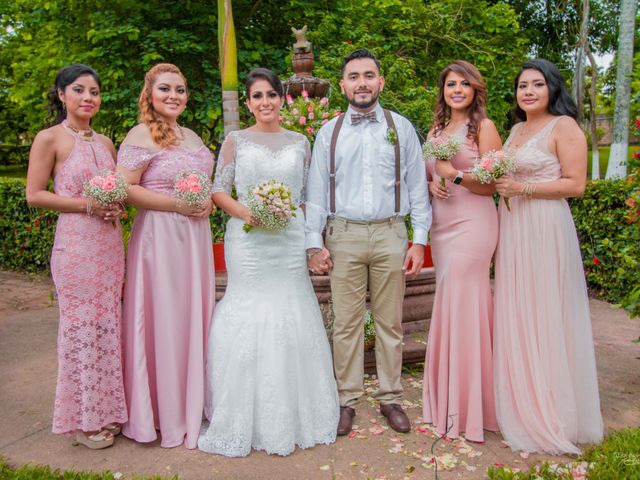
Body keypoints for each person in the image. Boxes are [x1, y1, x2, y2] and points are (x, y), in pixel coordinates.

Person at [197, 68, 339, 457]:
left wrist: (314, 243)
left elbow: (309, 197)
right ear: (248, 103)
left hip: (290, 238)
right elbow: (218, 191)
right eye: (257, 96)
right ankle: (241, 411)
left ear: (282, 99)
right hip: (249, 239)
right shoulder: (235, 140)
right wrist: (248, 214)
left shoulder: (301, 142)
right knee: (250, 308)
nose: (265, 103)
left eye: (271, 95)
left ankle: (297, 412)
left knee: (292, 308)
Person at [306, 49, 431, 435]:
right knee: (346, 323)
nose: (362, 82)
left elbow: (416, 186)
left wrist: (419, 239)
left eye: (369, 75)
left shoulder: (401, 127)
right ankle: (348, 400)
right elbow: (314, 192)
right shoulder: (330, 132)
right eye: (354, 76)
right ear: (343, 85)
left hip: (391, 232)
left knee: (390, 321)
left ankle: (391, 397)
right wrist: (314, 242)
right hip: (342, 234)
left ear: (381, 81)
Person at [493, 59, 603, 454]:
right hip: (514, 229)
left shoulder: (565, 127)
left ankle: (553, 410)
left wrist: (523, 190)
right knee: (519, 309)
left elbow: (576, 185)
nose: (528, 92)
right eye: (522, 85)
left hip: (544, 225)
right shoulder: (517, 129)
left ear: (552, 88)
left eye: (537, 84)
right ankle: (523, 402)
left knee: (545, 310)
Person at [25, 64, 127, 449]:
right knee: (81, 330)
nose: (88, 98)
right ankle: (83, 423)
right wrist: (86, 205)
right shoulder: (49, 138)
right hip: (76, 248)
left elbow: (115, 190)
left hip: (109, 245)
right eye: (80, 90)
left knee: (106, 328)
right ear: (62, 94)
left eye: (95, 91)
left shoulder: (105, 143)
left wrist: (116, 206)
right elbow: (35, 194)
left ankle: (107, 411)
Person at [117, 63, 215, 449]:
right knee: (165, 318)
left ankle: (194, 403)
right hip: (160, 237)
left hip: (195, 238)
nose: (174, 95)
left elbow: (207, 182)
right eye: (165, 89)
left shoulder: (191, 136)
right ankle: (164, 412)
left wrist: (205, 201)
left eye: (180, 88)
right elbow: (126, 188)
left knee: (194, 315)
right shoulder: (141, 134)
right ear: (150, 94)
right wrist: (177, 204)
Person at [422, 60, 502, 442]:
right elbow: (428, 174)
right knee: (449, 302)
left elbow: (492, 185)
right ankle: (449, 399)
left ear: (474, 90)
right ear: (443, 90)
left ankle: (474, 406)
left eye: (463, 84)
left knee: (465, 300)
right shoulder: (436, 130)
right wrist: (431, 185)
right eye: (450, 84)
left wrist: (451, 174)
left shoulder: (483, 129)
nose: (456, 90)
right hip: (443, 224)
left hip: (474, 223)